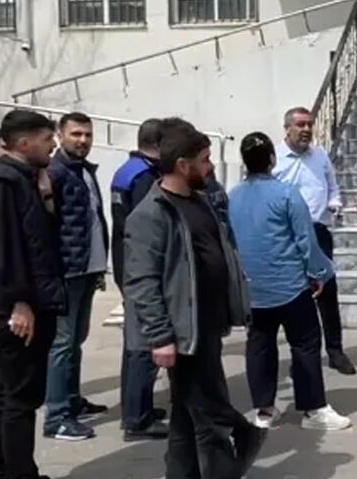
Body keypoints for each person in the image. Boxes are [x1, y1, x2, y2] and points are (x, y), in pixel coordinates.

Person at [124, 118, 265, 479]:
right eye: (204, 160)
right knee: (209, 420)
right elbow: (142, 280)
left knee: (187, 415)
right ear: (183, 165)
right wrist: (160, 337)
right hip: (181, 332)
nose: (211, 166)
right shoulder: (150, 214)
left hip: (207, 324)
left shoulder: (201, 202)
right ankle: (241, 440)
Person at [0, 110, 64, 479]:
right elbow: (3, 249)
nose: (53, 145)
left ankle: (6, 471)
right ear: (23, 142)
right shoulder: (5, 183)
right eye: (47, 139)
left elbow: (36, 238)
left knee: (9, 396)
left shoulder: (25, 180)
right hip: (18, 308)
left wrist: (47, 197)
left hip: (21, 303)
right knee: (20, 400)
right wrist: (20, 302)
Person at [230, 132, 353, 431]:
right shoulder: (286, 194)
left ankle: (264, 410)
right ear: (272, 160)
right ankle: (313, 408)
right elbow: (306, 241)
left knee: (259, 345)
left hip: (252, 287)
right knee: (305, 344)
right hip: (290, 284)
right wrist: (320, 273)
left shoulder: (233, 196)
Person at [273, 106, 356, 375]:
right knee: (296, 295)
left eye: (309, 124)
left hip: (318, 232)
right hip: (286, 235)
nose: (307, 129)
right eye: (300, 124)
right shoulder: (275, 158)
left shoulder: (320, 156)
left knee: (328, 292)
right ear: (287, 128)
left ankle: (335, 350)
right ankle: (301, 355)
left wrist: (335, 203)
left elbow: (332, 187)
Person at [44, 112, 110, 441]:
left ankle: (72, 400)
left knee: (75, 341)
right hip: (66, 273)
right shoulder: (54, 173)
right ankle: (57, 416)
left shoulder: (83, 171)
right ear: (60, 135)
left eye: (87, 134)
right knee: (62, 344)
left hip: (87, 270)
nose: (83, 140)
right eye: (76, 134)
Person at [109, 118, 169, 441]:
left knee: (134, 344)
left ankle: (136, 408)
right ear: (159, 144)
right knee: (143, 347)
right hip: (138, 268)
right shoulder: (145, 177)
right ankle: (137, 418)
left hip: (125, 264)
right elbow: (149, 226)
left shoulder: (127, 170)